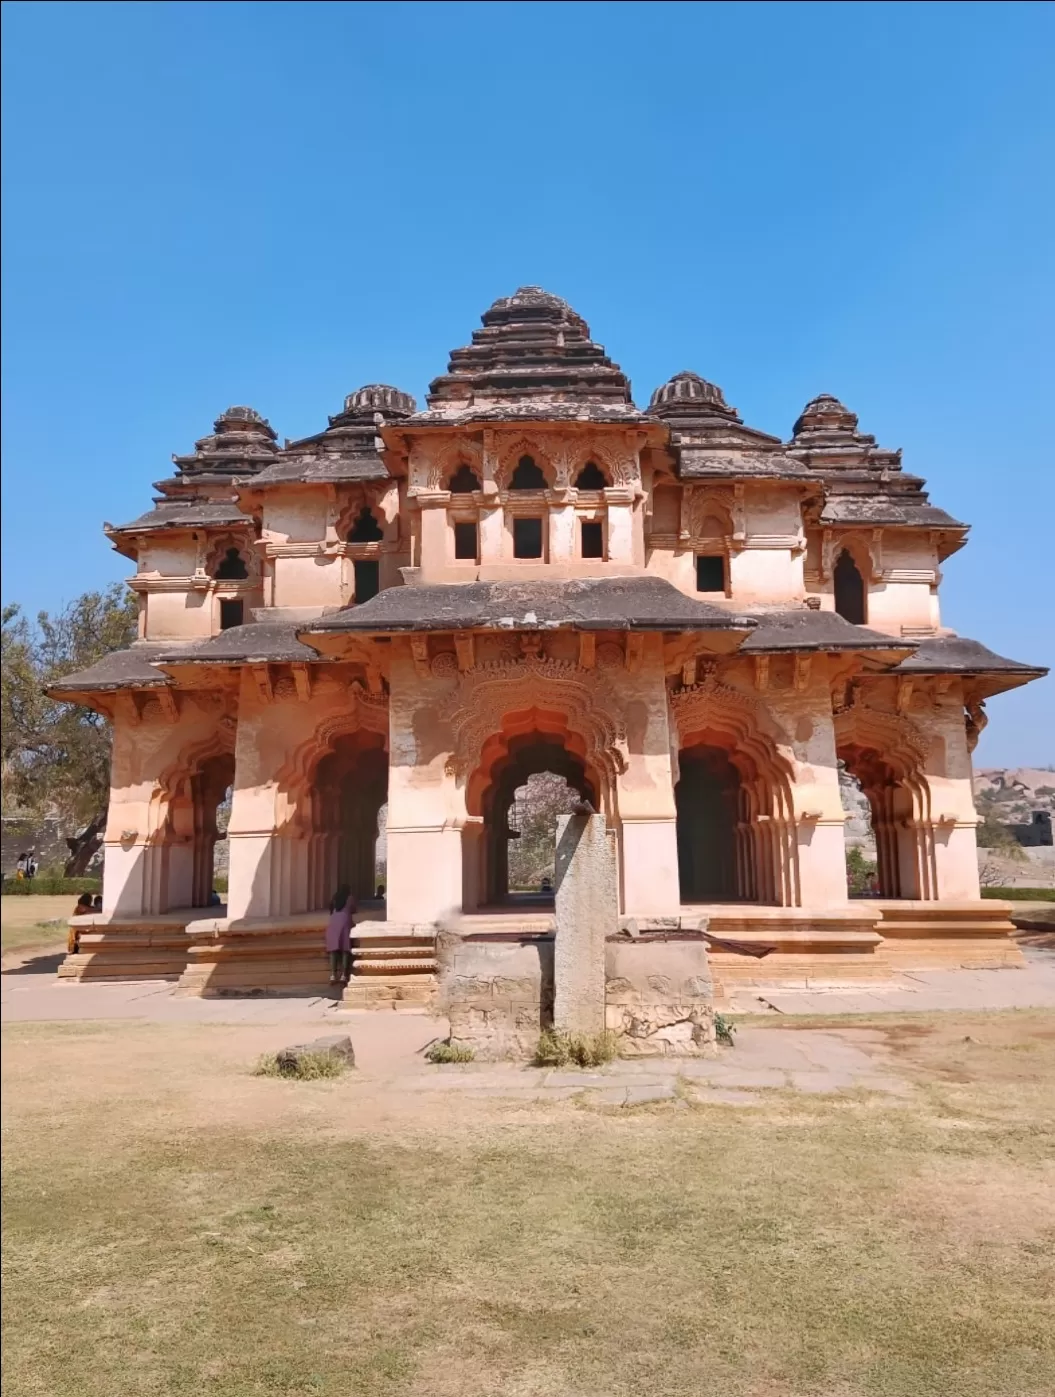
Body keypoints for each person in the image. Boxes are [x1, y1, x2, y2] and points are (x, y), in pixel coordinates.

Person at [324, 883, 356, 987]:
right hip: (344, 921)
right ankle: (343, 975)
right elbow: (354, 910)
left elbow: (330, 910)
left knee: (333, 950)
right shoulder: (350, 898)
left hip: (333, 922)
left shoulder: (335, 898)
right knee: (345, 949)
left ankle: (333, 975)